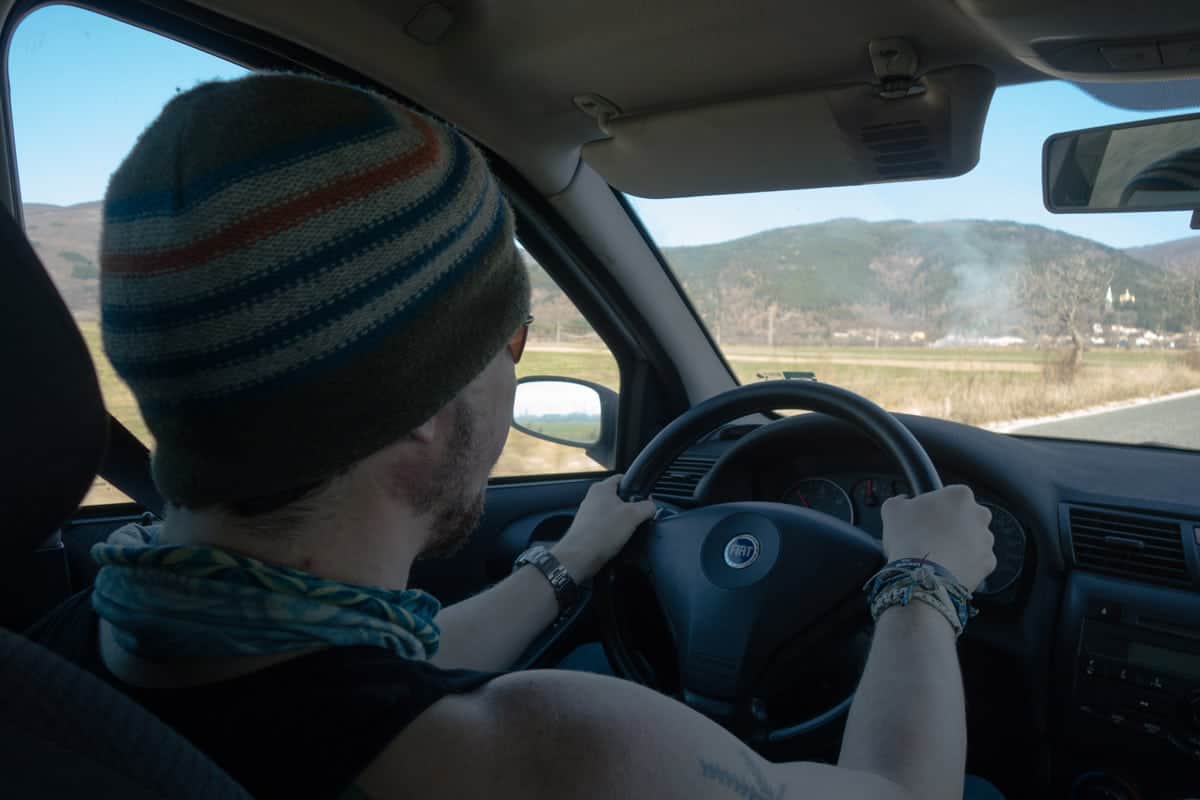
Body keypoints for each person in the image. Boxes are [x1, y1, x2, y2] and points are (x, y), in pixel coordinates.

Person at [29, 72, 999, 800]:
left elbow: (367, 675)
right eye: (512, 338)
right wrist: (924, 583)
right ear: (418, 405)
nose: (517, 367)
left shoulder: (77, 650)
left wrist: (565, 561)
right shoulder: (563, 756)